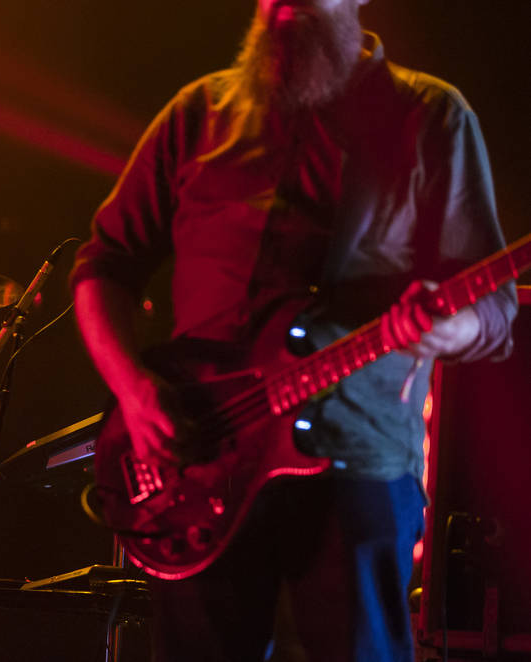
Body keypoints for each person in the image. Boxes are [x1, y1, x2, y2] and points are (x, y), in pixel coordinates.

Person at [71, 1, 517, 660]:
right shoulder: (200, 112)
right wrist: (134, 395)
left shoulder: (431, 116)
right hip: (197, 467)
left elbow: (495, 310)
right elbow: (103, 265)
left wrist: (441, 328)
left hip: (358, 461)